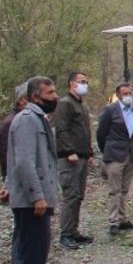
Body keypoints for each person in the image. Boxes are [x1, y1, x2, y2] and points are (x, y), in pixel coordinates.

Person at [5, 76, 60, 264]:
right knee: (30, 255)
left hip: (35, 199)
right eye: (50, 92)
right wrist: (37, 195)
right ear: (35, 96)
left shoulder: (37, 119)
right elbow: (24, 162)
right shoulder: (27, 121)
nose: (55, 96)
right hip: (31, 202)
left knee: (33, 254)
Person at [52, 70, 94, 250]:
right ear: (72, 84)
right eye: (82, 81)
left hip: (82, 156)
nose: (85, 84)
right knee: (70, 195)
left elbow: (84, 131)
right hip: (69, 158)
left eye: (86, 81)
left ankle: (74, 231)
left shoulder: (81, 105)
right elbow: (61, 129)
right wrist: (69, 151)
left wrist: (89, 153)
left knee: (78, 195)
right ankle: (66, 234)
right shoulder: (65, 104)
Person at [96, 83, 133, 236]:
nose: (128, 95)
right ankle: (113, 221)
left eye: (130, 92)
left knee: (124, 189)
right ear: (118, 95)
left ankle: (123, 218)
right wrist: (107, 151)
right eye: (125, 93)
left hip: (130, 154)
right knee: (114, 190)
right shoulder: (110, 110)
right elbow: (101, 133)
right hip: (114, 155)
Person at [0, 82, 28, 182]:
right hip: (17, 182)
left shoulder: (28, 120)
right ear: (22, 100)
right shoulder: (10, 123)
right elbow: (7, 157)